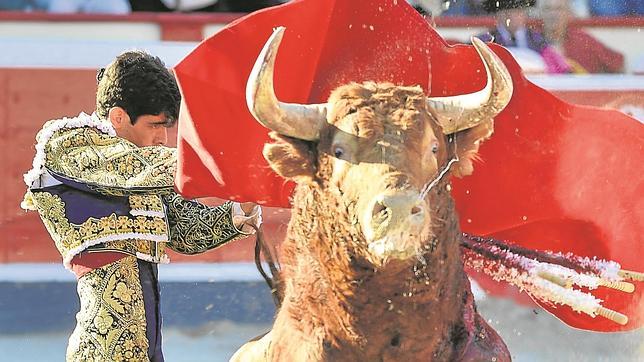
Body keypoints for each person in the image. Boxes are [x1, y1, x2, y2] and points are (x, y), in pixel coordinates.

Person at [21, 50, 261, 361]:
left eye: (167, 127)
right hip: (101, 348)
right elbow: (134, 168)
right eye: (154, 125)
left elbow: (182, 226)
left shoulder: (144, 171)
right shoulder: (67, 144)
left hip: (148, 344)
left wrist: (238, 213)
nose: (163, 137)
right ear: (118, 116)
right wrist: (231, 163)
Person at [478, 0, 572, 74]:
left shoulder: (539, 41)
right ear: (499, 15)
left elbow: (562, 70)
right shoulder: (484, 42)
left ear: (524, 14)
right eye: (508, 12)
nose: (512, 17)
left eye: (518, 12)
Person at [540, 0, 624, 73]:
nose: (553, 14)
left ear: (568, 13)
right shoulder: (531, 41)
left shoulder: (583, 40)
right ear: (541, 13)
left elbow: (618, 63)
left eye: (558, 9)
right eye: (548, 9)